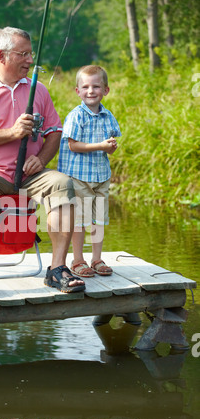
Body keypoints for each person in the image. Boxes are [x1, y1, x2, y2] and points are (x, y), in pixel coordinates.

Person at [0, 26, 85, 299]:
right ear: (1, 56)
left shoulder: (37, 91)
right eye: (23, 54)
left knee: (62, 184)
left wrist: (41, 158)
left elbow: (54, 132)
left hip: (30, 173)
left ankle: (58, 268)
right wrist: (13, 133)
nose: (30, 60)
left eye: (30, 54)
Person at [57, 65, 121, 277]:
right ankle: (77, 260)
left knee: (98, 219)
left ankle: (97, 259)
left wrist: (110, 148)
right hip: (79, 177)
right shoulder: (76, 116)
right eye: (85, 87)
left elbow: (109, 146)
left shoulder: (108, 116)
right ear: (78, 91)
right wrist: (101, 146)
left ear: (106, 90)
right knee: (80, 220)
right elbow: (73, 145)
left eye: (96, 86)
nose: (91, 91)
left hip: (100, 175)